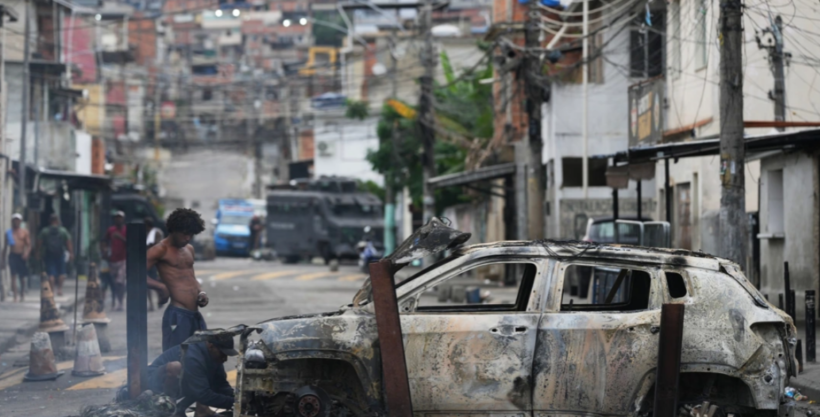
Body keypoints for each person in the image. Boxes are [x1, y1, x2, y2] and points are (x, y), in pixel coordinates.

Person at [146, 208, 207, 351]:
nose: (188, 238)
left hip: (195, 315)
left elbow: (192, 278)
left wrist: (201, 293)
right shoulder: (160, 250)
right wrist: (160, 287)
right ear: (174, 230)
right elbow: (135, 275)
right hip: (177, 315)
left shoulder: (189, 249)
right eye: (185, 234)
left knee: (199, 357)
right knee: (175, 360)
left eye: (191, 235)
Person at [147, 336, 237, 416]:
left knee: (200, 382)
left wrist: (237, 398)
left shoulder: (214, 357)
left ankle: (180, 411)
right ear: (211, 346)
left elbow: (221, 385)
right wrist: (234, 403)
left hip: (182, 384)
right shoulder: (193, 357)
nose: (225, 358)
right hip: (154, 385)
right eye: (222, 353)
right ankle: (168, 411)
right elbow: (203, 395)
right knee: (180, 371)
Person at [38, 213, 73, 297]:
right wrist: (71, 253)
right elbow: (68, 242)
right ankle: (60, 289)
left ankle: (52, 290)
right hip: (60, 253)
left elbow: (39, 242)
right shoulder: (63, 231)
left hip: (49, 254)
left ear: (50, 221)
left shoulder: (45, 231)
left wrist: (38, 252)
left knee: (51, 274)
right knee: (62, 272)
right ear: (57, 221)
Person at [1, 214, 31, 302]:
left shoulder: (24, 232)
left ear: (20, 221)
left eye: (18, 220)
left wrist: (26, 253)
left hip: (21, 256)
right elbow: (5, 247)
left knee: (22, 277)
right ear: (12, 221)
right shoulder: (8, 233)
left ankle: (22, 293)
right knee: (13, 276)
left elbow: (28, 245)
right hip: (12, 255)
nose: (16, 222)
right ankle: (15, 295)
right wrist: (2, 260)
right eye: (15, 220)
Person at [105, 211, 128, 311]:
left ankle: (121, 302)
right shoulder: (110, 230)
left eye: (120, 218)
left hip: (123, 259)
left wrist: (121, 238)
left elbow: (130, 243)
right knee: (113, 283)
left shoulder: (126, 230)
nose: (118, 219)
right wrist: (104, 251)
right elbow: (104, 241)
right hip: (112, 260)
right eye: (116, 218)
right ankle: (115, 301)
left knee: (120, 282)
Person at [146, 217, 165, 312]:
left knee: (155, 282)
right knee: (147, 283)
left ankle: (159, 300)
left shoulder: (156, 232)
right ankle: (151, 303)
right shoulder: (146, 233)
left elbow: (157, 245)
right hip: (147, 260)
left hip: (154, 260)